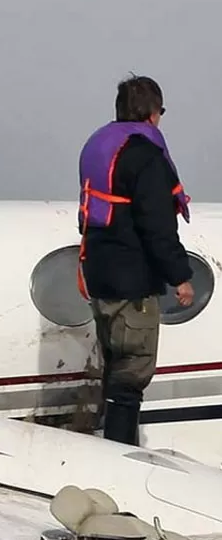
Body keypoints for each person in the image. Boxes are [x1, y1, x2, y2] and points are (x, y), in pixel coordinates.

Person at [76, 74, 195, 446]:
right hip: (132, 283)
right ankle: (120, 457)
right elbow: (157, 225)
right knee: (132, 375)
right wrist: (180, 276)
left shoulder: (98, 147)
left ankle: (108, 445)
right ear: (152, 113)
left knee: (115, 367)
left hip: (99, 276)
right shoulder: (144, 155)